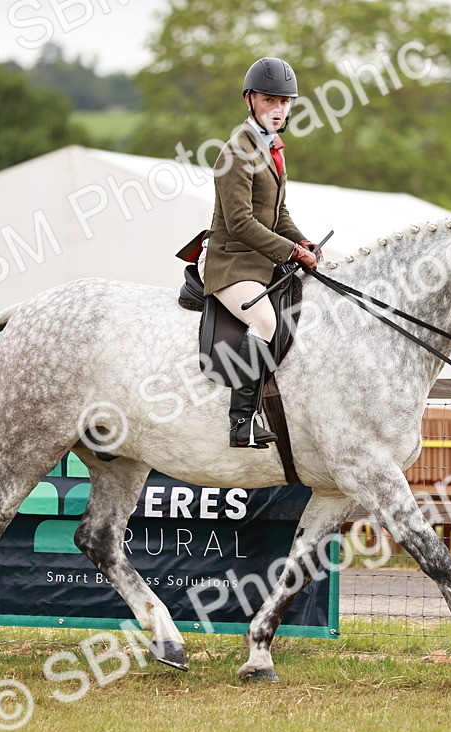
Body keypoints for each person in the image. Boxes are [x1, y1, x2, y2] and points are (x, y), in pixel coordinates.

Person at [200, 56, 321, 448]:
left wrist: (301, 241)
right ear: (250, 100)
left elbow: (278, 213)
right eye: (270, 100)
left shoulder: (272, 149)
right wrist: (289, 252)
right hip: (231, 262)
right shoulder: (236, 152)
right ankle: (242, 423)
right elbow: (240, 222)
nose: (279, 109)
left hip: (262, 261)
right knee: (266, 323)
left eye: (285, 102)